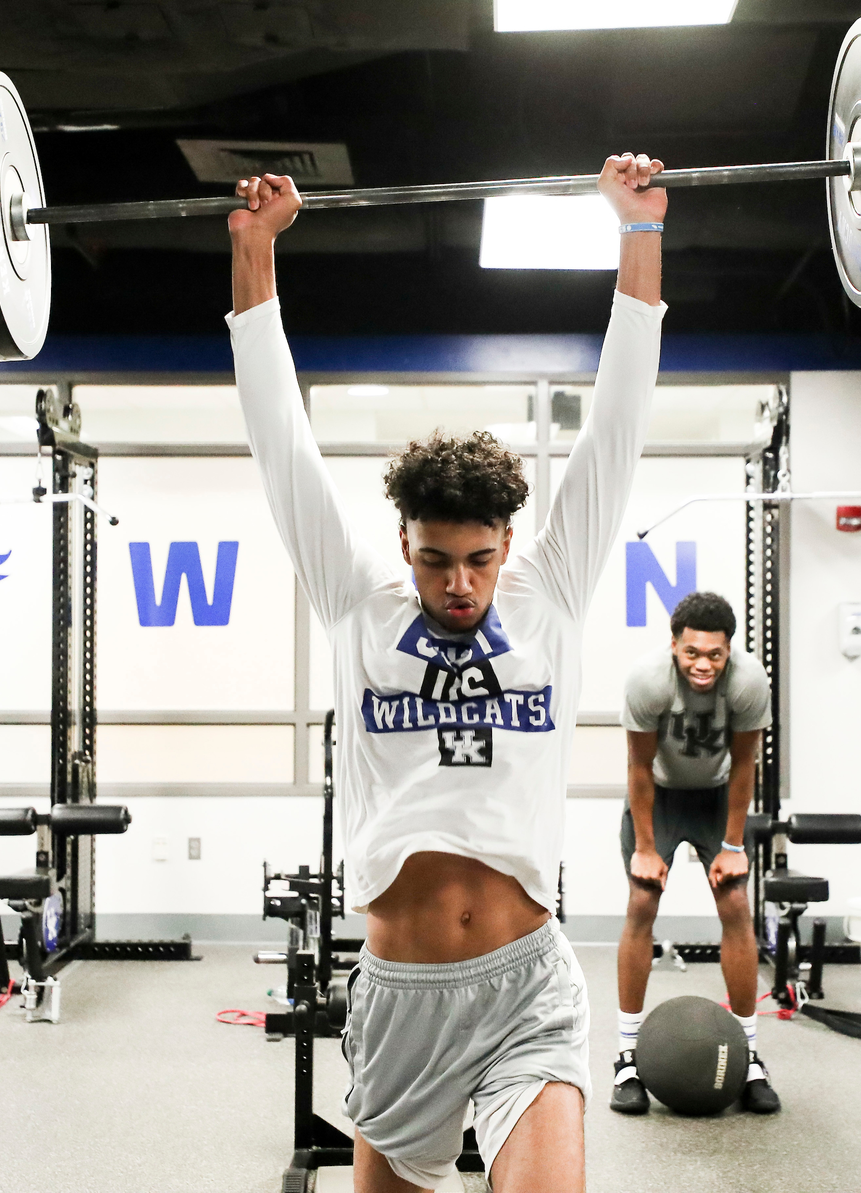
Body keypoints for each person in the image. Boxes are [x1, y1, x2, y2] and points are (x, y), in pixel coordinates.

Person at [226, 153, 666, 1193]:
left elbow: (617, 423)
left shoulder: (548, 594)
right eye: (434, 558)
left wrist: (638, 235)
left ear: (506, 544)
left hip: (527, 984)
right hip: (399, 991)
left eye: (477, 557)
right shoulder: (354, 601)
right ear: (404, 542)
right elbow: (277, 439)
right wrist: (252, 253)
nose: (458, 582)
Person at [611, 590, 780, 1115]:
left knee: (735, 906)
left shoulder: (750, 683)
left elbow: (746, 764)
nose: (702, 665)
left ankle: (750, 1057)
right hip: (658, 797)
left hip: (716, 798)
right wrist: (644, 848)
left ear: (729, 649)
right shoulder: (646, 681)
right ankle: (626, 1057)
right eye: (691, 653)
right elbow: (639, 768)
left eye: (714, 654)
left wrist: (732, 845)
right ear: (674, 645)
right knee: (642, 904)